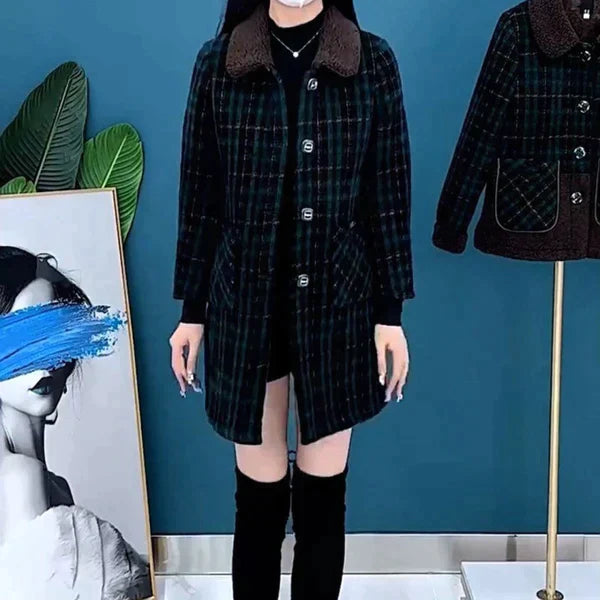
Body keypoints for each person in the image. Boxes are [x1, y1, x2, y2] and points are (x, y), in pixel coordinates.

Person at [169, 0, 414, 598]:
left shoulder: (371, 60)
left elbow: (388, 192)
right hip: (246, 305)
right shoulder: (219, 62)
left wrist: (390, 314)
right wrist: (192, 312)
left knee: (323, 498)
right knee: (257, 500)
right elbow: (200, 195)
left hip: (338, 304)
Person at [0, 246, 150, 600]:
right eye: (22, 340)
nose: (45, 363)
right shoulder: (20, 479)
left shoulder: (52, 483)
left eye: (56, 337)